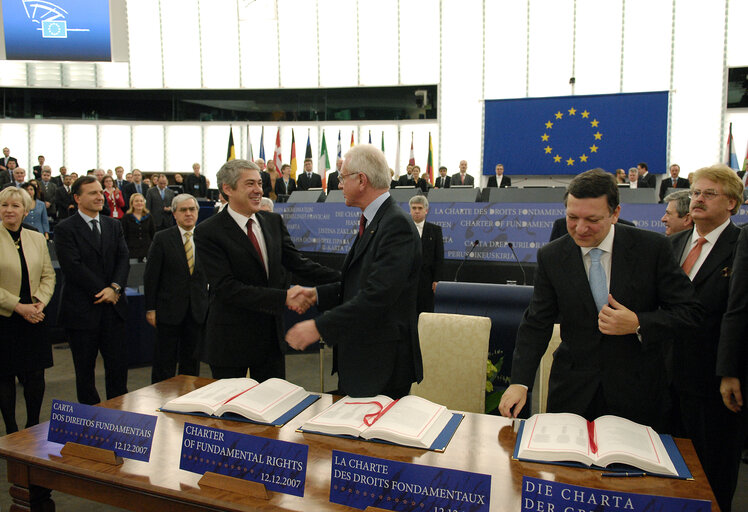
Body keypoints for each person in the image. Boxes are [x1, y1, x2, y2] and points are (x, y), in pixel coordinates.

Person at [498, 168, 702, 432]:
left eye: (592, 219)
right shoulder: (552, 256)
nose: (580, 229)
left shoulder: (651, 249)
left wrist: (639, 323)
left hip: (636, 392)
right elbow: (537, 322)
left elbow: (691, 312)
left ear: (615, 214)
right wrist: (520, 382)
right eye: (572, 217)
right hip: (572, 391)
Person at [285, 145, 423, 399]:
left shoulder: (395, 225)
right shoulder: (375, 221)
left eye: (341, 177)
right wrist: (316, 294)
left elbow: (377, 295)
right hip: (363, 358)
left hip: (381, 364)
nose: (338, 185)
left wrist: (319, 327)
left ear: (361, 180)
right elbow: (358, 284)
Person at [194, 159, 340, 381]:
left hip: (270, 340)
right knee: (229, 411)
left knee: (273, 405)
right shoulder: (208, 231)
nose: (258, 190)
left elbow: (299, 264)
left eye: (260, 184)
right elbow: (226, 288)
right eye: (250, 184)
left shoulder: (272, 221)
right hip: (230, 342)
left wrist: (347, 277)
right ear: (227, 188)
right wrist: (285, 297)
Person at [667, 164, 743, 512]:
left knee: (712, 472)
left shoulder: (740, 244)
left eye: (708, 194)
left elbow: (739, 312)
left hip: (713, 381)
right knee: (669, 469)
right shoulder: (674, 244)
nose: (697, 199)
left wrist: (730, 370)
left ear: (732, 203)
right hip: (667, 377)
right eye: (695, 192)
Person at [54, 176, 130, 405]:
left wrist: (115, 288)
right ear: (77, 198)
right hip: (81, 310)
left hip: (113, 309)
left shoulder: (113, 224)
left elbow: (123, 258)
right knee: (85, 373)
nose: (100, 196)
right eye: (93, 193)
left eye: (100, 192)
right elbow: (73, 266)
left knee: (117, 370)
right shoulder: (65, 228)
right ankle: (91, 420)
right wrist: (104, 290)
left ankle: (119, 417)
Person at [0, 187, 55, 434]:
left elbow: (48, 275)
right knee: (5, 376)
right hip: (5, 316)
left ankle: (32, 425)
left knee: (35, 374)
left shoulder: (35, 238)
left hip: (35, 315)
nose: (9, 210)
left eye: (15, 206)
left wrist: (40, 303)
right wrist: (18, 306)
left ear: (25, 210)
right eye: (4, 205)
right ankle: (11, 430)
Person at [144, 194, 208, 384]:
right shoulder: (162, 238)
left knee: (191, 362)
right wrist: (151, 308)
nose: (188, 213)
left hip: (197, 311)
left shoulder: (206, 238)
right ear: (174, 214)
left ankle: (188, 401)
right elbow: (151, 276)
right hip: (168, 311)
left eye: (192, 209)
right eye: (183, 210)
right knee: (165, 362)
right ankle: (160, 400)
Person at [409, 195, 443, 314]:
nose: (417, 211)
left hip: (427, 280)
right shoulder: (403, 229)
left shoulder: (435, 230)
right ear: (410, 210)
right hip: (407, 279)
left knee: (425, 311)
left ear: (426, 210)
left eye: (420, 208)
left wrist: (436, 279)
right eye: (414, 208)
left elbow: (439, 257)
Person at [120, 193, 155, 261]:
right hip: (132, 251)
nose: (139, 203)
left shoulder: (149, 216)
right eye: (136, 201)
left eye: (141, 201)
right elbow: (124, 235)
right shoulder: (126, 217)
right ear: (132, 203)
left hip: (147, 251)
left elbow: (153, 234)